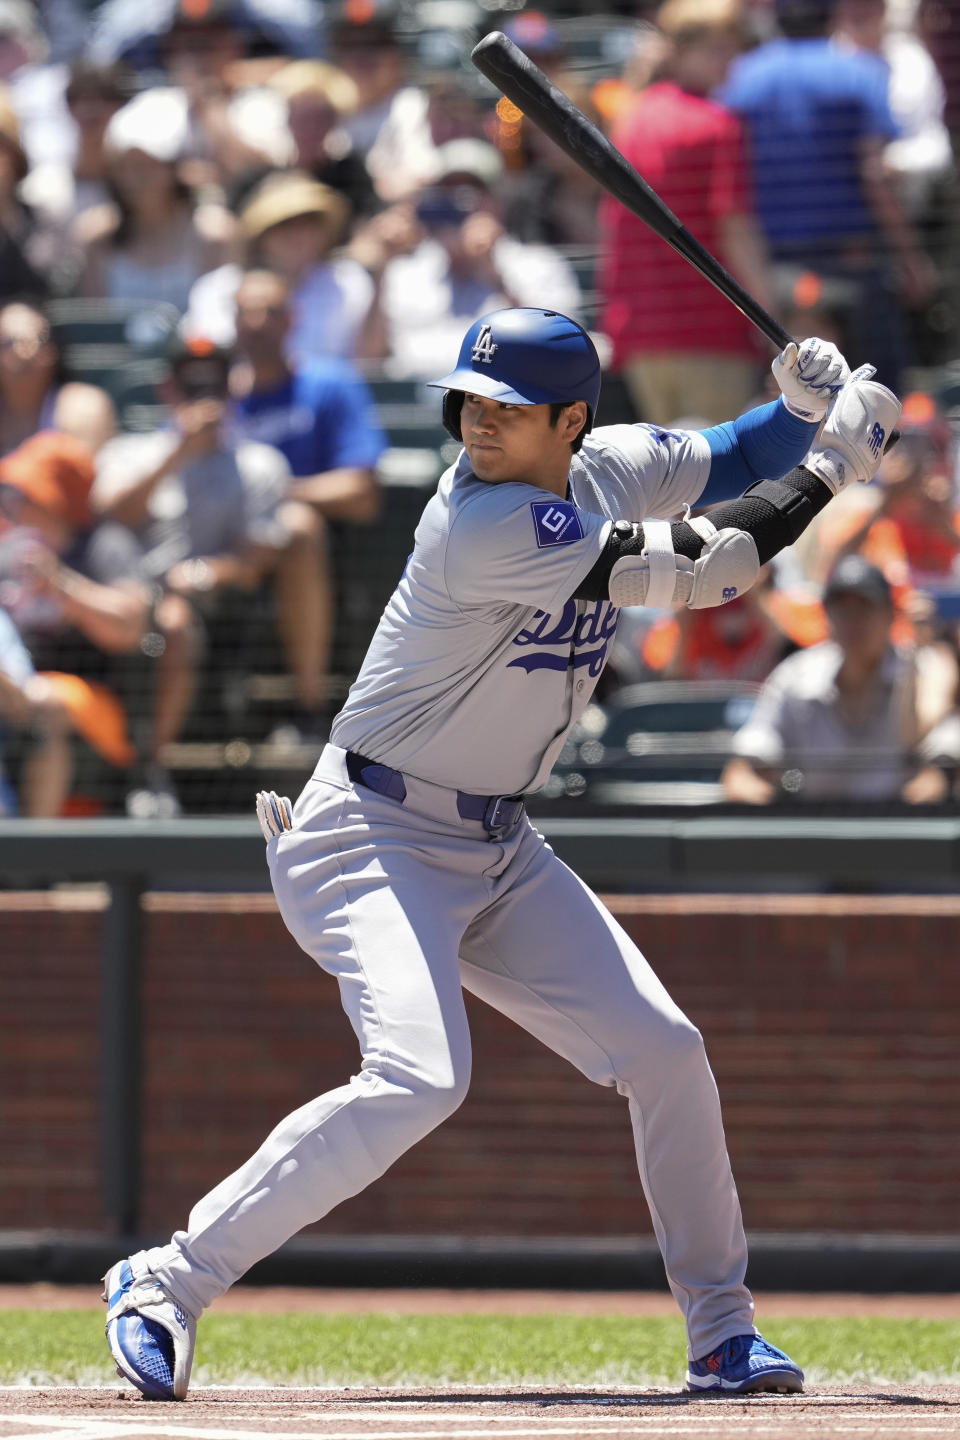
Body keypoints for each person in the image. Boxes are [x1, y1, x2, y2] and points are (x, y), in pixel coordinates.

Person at [102, 310, 900, 1401]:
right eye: (472, 398)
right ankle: (165, 1278)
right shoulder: (481, 521)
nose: (478, 418)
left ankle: (722, 1332)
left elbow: (729, 458)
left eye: (508, 407)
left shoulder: (611, 466)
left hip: (497, 842)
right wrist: (837, 461)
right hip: (369, 836)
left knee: (666, 1050)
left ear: (573, 420)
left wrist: (800, 405)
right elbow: (715, 567)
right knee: (422, 1077)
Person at [93, 335, 332, 763]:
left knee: (178, 620)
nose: (204, 396)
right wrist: (180, 449)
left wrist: (201, 574)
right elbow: (110, 517)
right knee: (168, 615)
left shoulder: (258, 464)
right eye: (191, 385)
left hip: (214, 601)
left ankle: (152, 769)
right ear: (168, 389)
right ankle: (147, 770)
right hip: (129, 592)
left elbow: (253, 561)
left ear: (231, 390)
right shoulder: (131, 452)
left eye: (213, 385)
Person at [599, 0, 771, 425]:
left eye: (732, 51)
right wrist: (773, 323)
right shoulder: (717, 124)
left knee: (666, 485)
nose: (729, 64)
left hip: (642, 335)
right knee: (718, 483)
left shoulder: (632, 117)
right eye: (717, 51)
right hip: (711, 334)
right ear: (679, 50)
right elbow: (735, 230)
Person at [722, 553, 953, 803]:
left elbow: (940, 774)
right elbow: (743, 770)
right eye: (842, 609)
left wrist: (888, 828)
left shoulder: (922, 670)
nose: (852, 621)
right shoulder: (797, 674)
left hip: (898, 828)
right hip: (813, 829)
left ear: (889, 615)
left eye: (864, 608)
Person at [0, 297, 116, 457]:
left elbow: (81, 475)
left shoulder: (83, 406)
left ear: (53, 350)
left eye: (36, 341)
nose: (21, 352)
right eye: (7, 342)